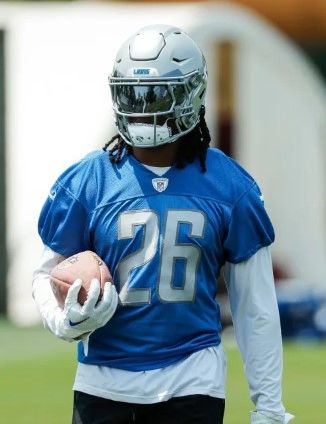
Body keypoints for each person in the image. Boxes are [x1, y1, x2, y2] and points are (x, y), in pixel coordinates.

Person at [32, 24, 294, 424]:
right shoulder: (88, 180)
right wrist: (63, 321)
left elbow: (255, 306)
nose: (142, 108)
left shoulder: (230, 187)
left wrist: (270, 407)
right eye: (132, 95)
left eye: (155, 94)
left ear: (190, 94)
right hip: (103, 379)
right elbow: (47, 274)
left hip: (192, 379)